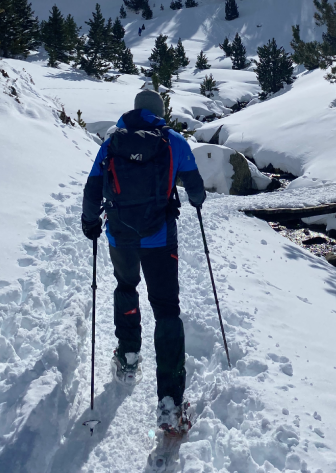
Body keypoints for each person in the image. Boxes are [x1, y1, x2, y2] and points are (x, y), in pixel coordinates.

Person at [81, 90, 206, 433]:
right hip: (160, 237)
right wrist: (195, 198)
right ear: (160, 112)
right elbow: (196, 188)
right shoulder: (174, 141)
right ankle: (170, 402)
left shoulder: (112, 143)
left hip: (120, 236)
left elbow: (93, 189)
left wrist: (90, 223)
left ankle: (128, 355)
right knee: (166, 308)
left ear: (136, 111)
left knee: (126, 286)